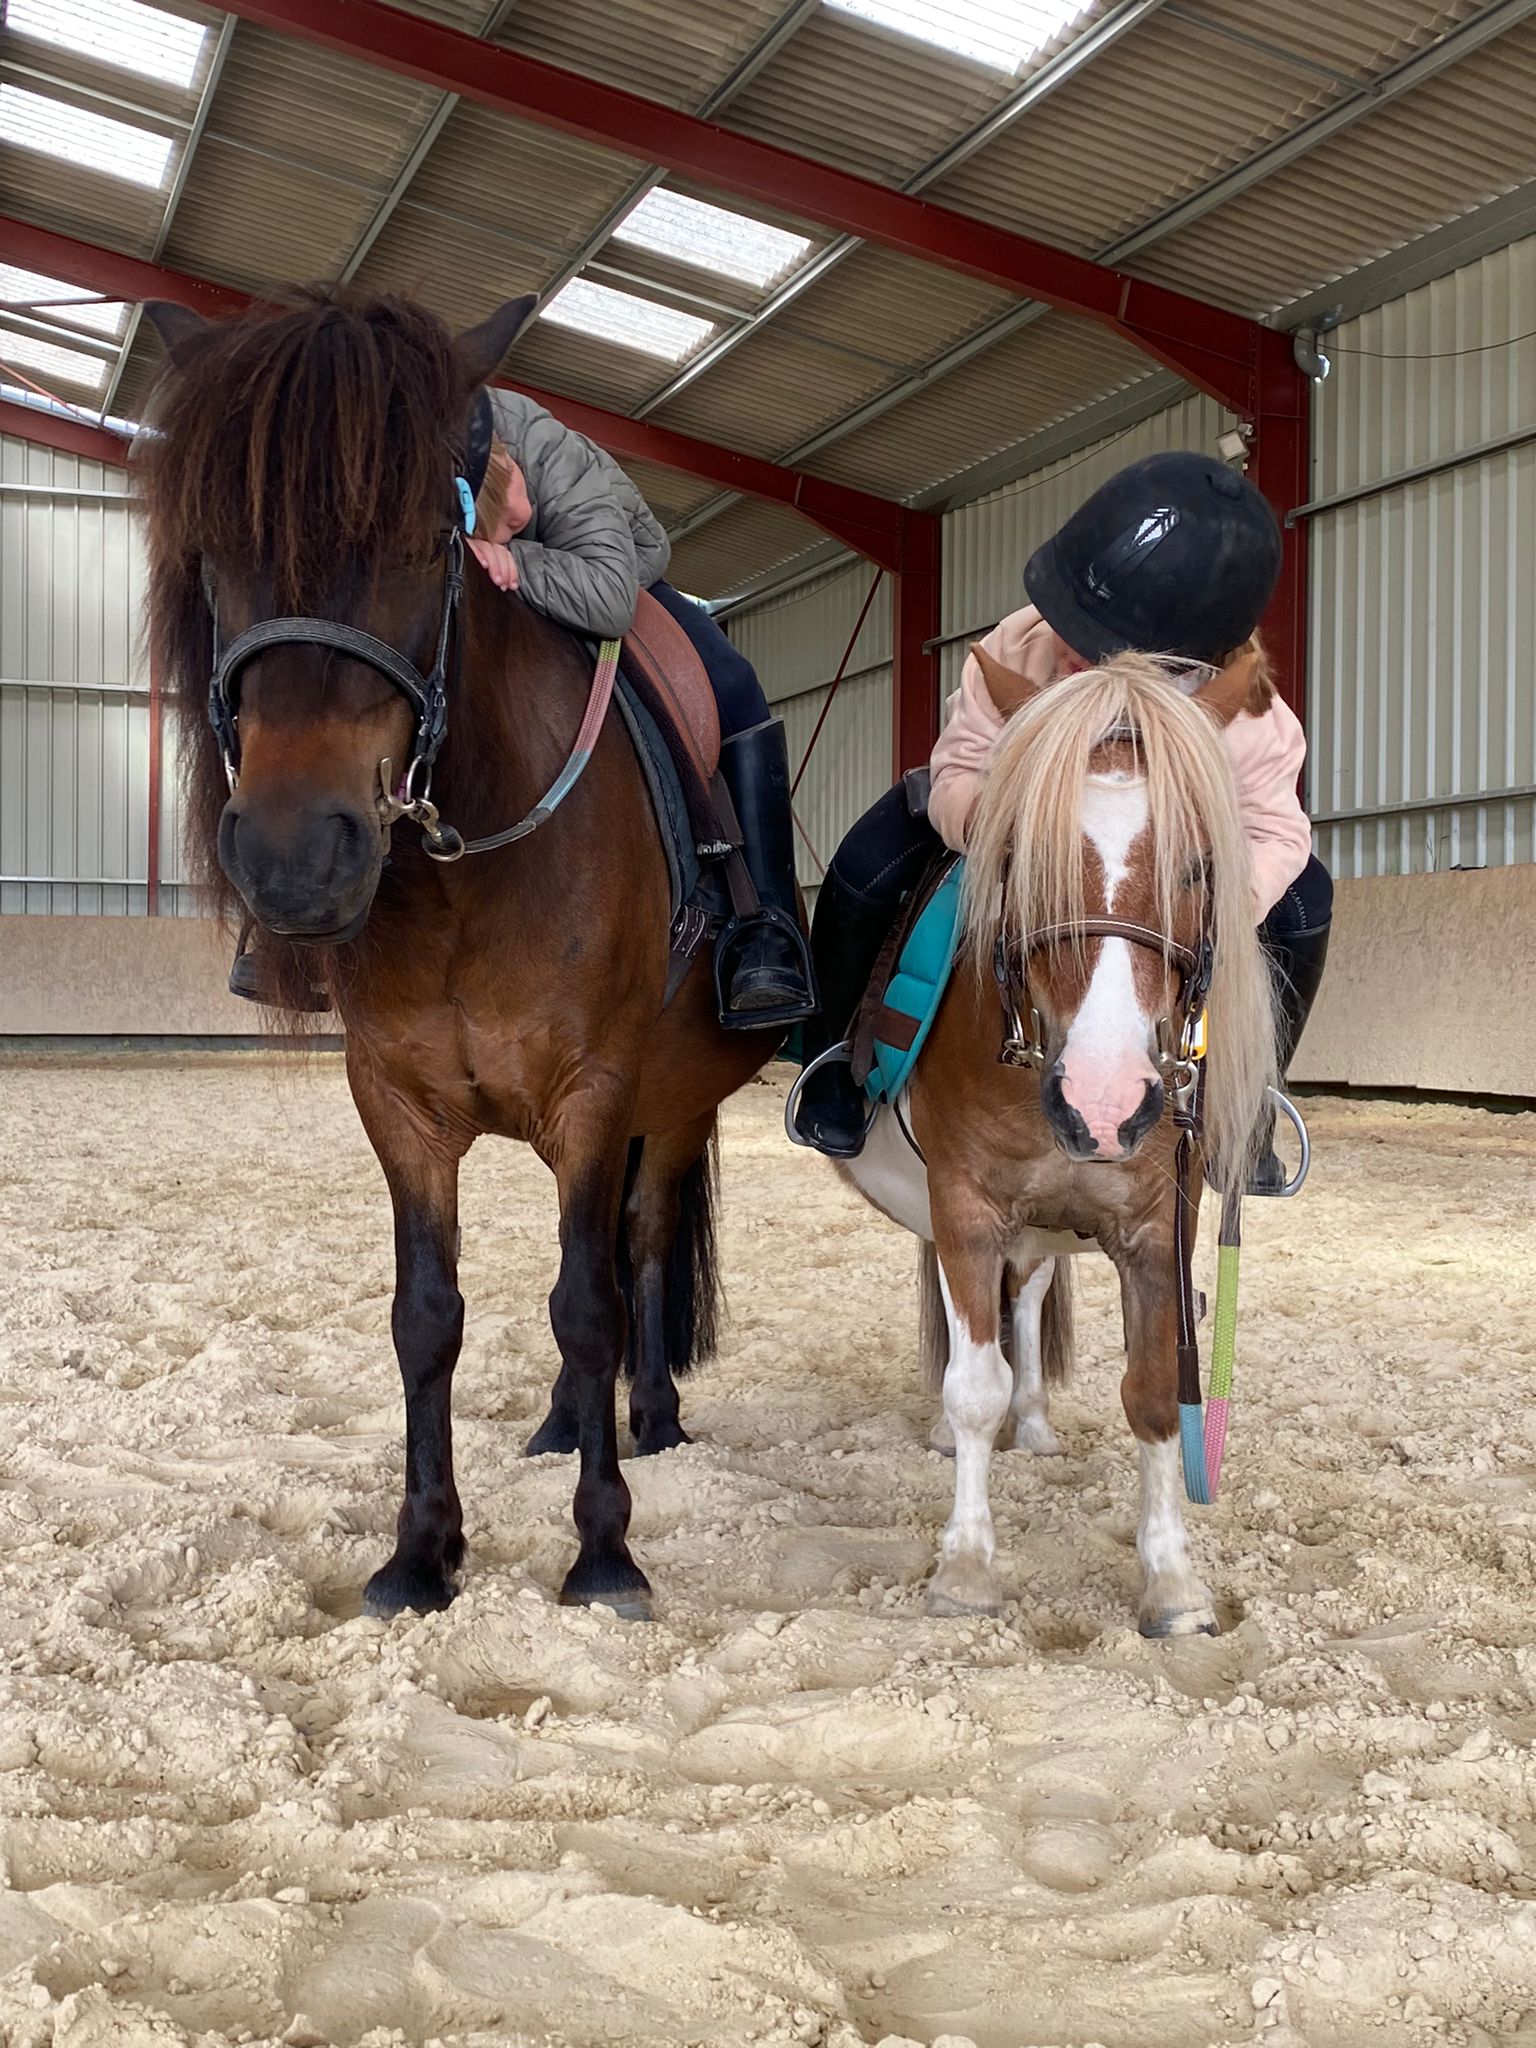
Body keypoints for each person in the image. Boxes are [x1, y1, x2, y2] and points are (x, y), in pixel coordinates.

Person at [790, 450, 1332, 1192]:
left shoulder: (1257, 721)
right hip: (1015, 822)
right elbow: (959, 766)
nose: (1066, 648)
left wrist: (1219, 901)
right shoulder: (1019, 642)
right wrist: (1009, 831)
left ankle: (1255, 1102)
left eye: (1096, 646)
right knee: (863, 863)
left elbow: (1276, 833)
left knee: (1308, 906)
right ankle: (830, 1066)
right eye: (1069, 622)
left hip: (1165, 865)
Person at [230, 387, 815, 1025]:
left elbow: (612, 596)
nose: (510, 524)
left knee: (733, 681)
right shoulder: (377, 467)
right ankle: (290, 909)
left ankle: (766, 927)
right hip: (466, 582)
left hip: (614, 570)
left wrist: (512, 555)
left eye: (509, 517)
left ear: (504, 473)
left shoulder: (550, 457)